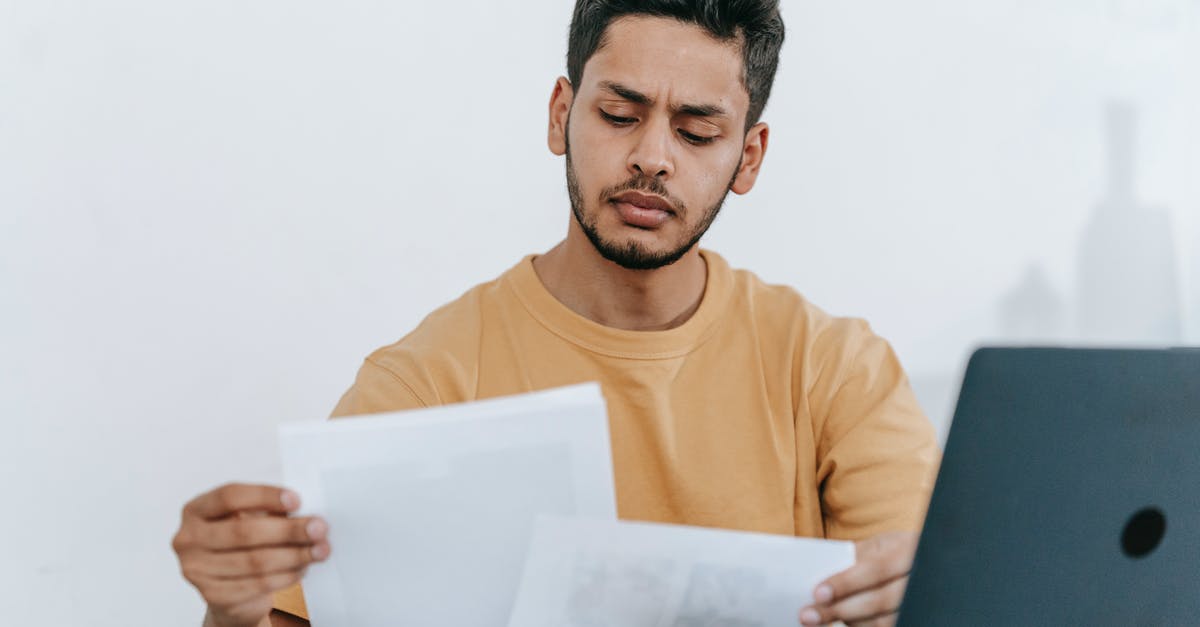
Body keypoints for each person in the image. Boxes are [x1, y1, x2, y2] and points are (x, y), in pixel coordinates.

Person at [171, 1, 940, 626]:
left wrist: (934, 598)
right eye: (618, 114)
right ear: (560, 115)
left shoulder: (835, 369)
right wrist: (231, 611)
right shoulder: (427, 381)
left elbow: (933, 593)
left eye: (697, 130)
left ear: (748, 157)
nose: (653, 157)